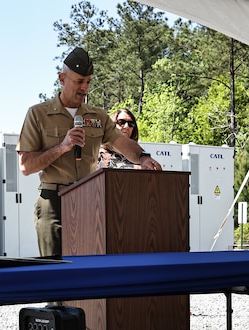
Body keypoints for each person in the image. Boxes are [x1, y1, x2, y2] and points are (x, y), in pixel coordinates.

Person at [17, 47, 162, 258]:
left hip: (88, 200)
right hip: (52, 202)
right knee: (54, 272)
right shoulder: (38, 114)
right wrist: (62, 147)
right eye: (78, 81)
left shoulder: (98, 116)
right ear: (62, 78)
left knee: (89, 267)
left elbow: (121, 142)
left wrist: (143, 157)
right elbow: (26, 166)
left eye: (88, 82)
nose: (84, 88)